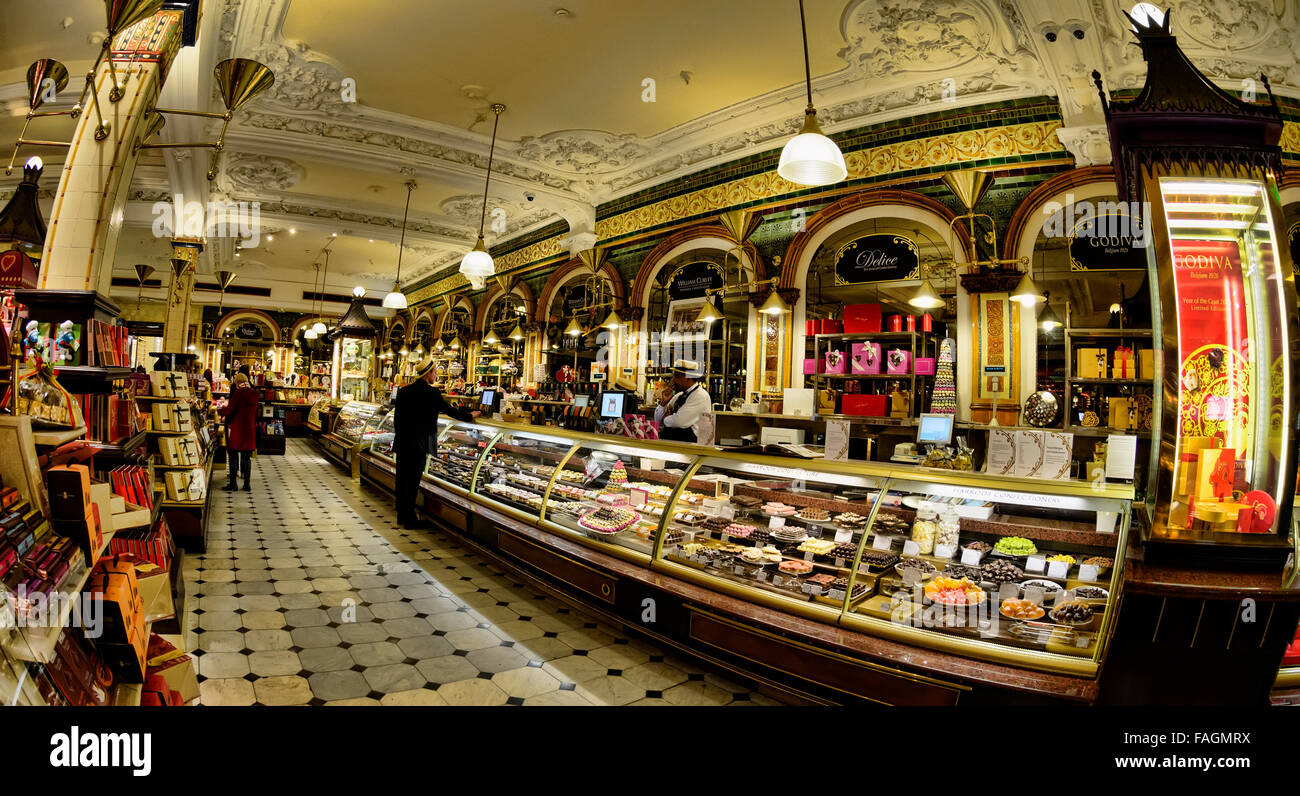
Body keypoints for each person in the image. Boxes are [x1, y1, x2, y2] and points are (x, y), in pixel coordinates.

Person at [394, 359, 479, 528]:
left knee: (402, 480)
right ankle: (410, 520)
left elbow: (397, 419)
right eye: (434, 372)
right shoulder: (432, 393)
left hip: (403, 442)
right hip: (419, 443)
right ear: (427, 374)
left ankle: (403, 516)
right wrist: (470, 416)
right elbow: (450, 411)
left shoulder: (404, 391)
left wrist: (401, 437)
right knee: (412, 481)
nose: (436, 375)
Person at [218, 372, 259, 491]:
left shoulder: (238, 393)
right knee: (247, 458)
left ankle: (233, 484)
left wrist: (221, 410)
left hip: (237, 428)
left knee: (233, 455)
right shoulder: (254, 394)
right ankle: (247, 484)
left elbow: (230, 409)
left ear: (238, 382)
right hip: (249, 429)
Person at [654, 359, 711, 443]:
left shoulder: (700, 396)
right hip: (673, 446)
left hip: (690, 447)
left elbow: (678, 422)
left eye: (677, 376)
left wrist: (666, 418)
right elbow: (657, 422)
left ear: (688, 377)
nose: (673, 380)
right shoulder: (678, 396)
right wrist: (663, 403)